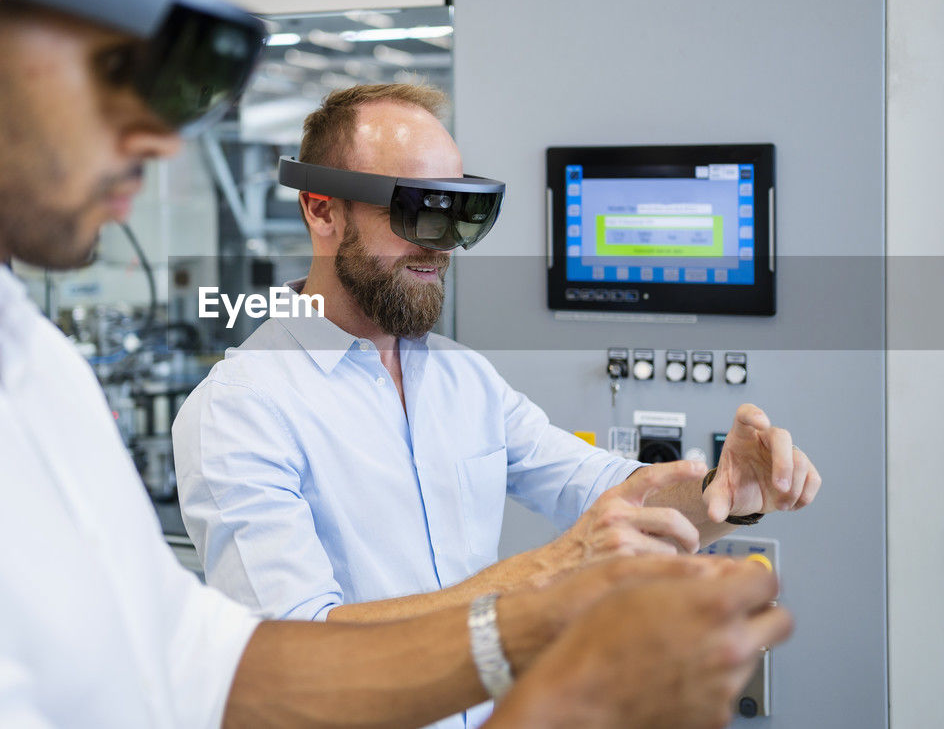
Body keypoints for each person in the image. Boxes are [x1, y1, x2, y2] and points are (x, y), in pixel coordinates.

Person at [0, 0, 793, 727]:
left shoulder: (25, 362)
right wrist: (570, 693)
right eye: (118, 66)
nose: (159, 136)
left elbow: (208, 672)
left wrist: (552, 596)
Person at [174, 83, 820, 725]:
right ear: (322, 211)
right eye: (420, 213)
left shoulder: (463, 378)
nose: (443, 243)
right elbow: (293, 652)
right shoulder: (243, 407)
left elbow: (614, 496)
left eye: (462, 215)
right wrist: (545, 574)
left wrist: (731, 490)